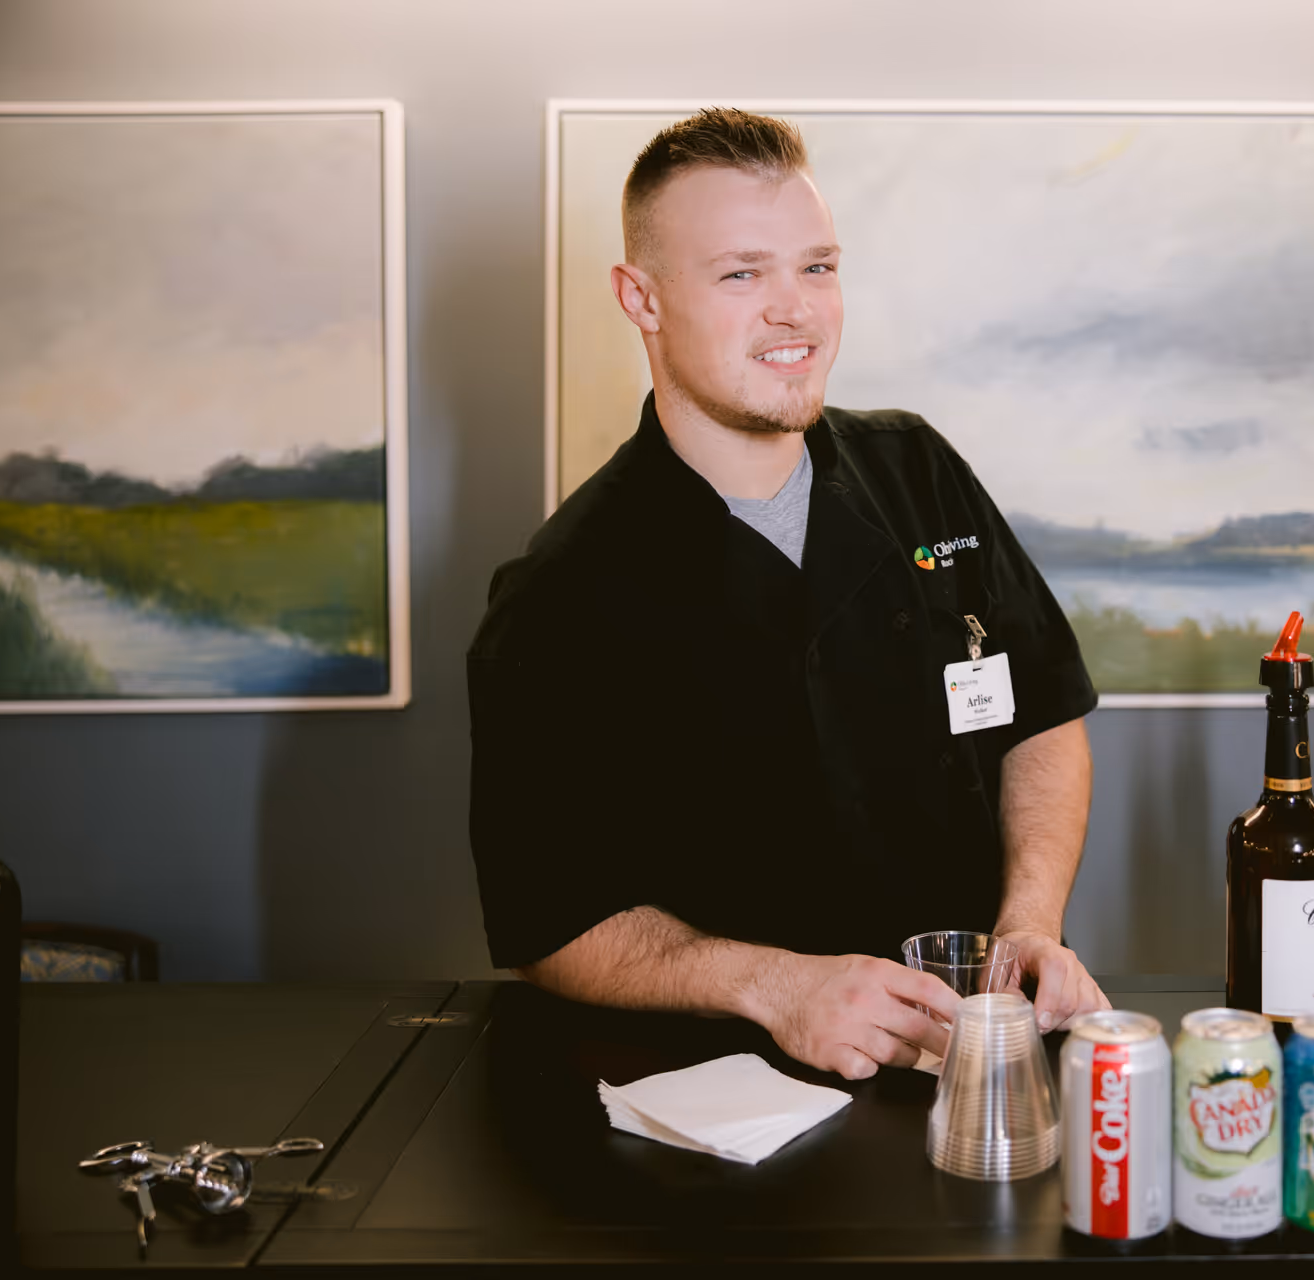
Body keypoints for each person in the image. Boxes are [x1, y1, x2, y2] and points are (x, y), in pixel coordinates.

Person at [467, 107, 1109, 1081]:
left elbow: (1041, 717)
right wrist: (777, 985)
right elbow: (551, 921)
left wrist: (1028, 921)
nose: (796, 310)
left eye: (817, 267)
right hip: (712, 1105)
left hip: (969, 1062)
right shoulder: (560, 593)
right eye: (741, 273)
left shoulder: (919, 471)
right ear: (640, 297)